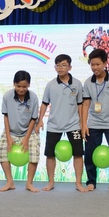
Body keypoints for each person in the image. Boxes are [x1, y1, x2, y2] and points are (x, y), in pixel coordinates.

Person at [36, 54, 87, 192]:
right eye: (58, 65)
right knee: (50, 154)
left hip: (73, 124)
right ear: (55, 67)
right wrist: (40, 121)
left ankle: (78, 183)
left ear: (70, 67)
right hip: (54, 125)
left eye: (64, 65)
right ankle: (51, 182)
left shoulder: (77, 84)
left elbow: (80, 105)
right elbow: (44, 103)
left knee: (78, 153)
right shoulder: (50, 85)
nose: (60, 68)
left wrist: (83, 124)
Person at [82, 48, 109, 191]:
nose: (95, 67)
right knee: (89, 153)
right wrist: (84, 124)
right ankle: (91, 182)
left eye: (98, 64)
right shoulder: (88, 82)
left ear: (105, 63)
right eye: (92, 64)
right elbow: (86, 104)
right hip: (94, 123)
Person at [0, 70, 40, 192]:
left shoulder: (33, 98)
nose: (21, 89)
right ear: (14, 84)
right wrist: (8, 137)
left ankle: (29, 183)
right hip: (11, 131)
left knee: (34, 154)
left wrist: (26, 138)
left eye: (24, 86)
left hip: (29, 132)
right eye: (18, 86)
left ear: (29, 85)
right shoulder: (7, 96)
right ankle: (10, 182)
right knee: (2, 152)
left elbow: (33, 119)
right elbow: (6, 117)